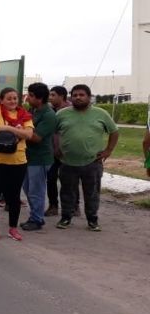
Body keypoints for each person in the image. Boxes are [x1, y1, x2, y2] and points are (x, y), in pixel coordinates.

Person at [0, 61, 34, 241]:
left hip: (17, 162)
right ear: (1, 101)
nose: (12, 101)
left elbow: (28, 135)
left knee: (13, 197)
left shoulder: (25, 115)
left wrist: (9, 129)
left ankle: (13, 228)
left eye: (15, 98)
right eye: (8, 98)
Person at [55, 84, 118, 232]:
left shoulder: (101, 114)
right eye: (75, 95)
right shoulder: (61, 114)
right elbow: (53, 132)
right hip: (67, 162)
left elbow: (114, 132)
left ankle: (92, 220)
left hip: (92, 162)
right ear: (71, 97)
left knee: (92, 193)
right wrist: (55, 148)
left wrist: (108, 150)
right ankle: (66, 218)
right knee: (66, 192)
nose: (78, 97)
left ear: (89, 97)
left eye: (82, 95)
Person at [20, 83, 57, 231]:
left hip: (39, 159)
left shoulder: (49, 115)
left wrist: (17, 131)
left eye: (30, 95)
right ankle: (34, 216)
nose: (27, 97)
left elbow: (36, 138)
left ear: (39, 98)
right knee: (28, 189)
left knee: (36, 190)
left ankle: (37, 219)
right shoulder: (33, 110)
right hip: (27, 157)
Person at [45, 85, 71, 217]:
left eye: (53, 95)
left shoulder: (71, 110)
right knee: (50, 179)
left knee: (69, 180)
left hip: (67, 152)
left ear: (61, 96)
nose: (50, 97)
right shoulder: (50, 110)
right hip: (52, 152)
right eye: (50, 95)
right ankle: (53, 205)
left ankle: (73, 206)